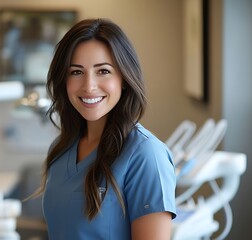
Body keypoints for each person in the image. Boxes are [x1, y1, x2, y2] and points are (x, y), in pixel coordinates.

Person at [34, 18, 176, 240]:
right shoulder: (61, 149)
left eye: (103, 71)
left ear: (124, 78)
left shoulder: (146, 155)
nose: (89, 86)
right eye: (76, 72)